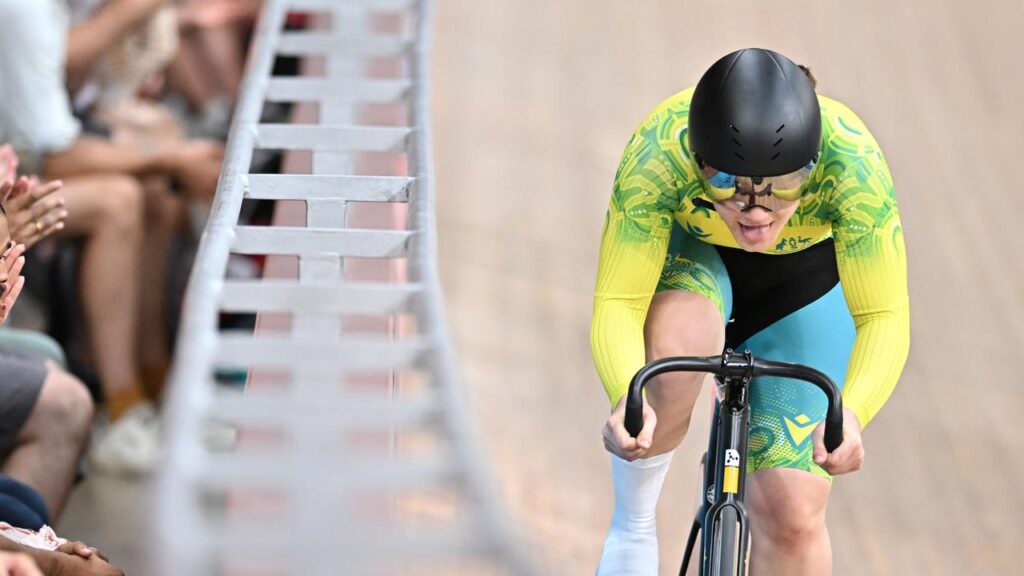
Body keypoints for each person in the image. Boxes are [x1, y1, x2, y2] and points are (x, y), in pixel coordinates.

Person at [592, 48, 909, 574]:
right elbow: (619, 302)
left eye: (783, 187)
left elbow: (884, 315)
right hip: (698, 259)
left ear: (814, 164)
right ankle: (634, 527)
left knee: (793, 516)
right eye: (726, 185)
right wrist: (625, 395)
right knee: (675, 357)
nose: (756, 211)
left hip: (802, 285)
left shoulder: (853, 162)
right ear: (696, 161)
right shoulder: (659, 149)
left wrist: (852, 413)